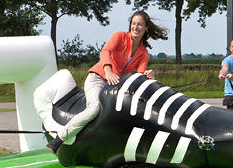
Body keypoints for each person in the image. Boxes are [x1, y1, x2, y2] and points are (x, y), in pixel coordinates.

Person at [45, 11, 168, 152]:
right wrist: (108, 71)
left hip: (114, 87)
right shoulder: (119, 36)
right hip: (97, 78)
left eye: (139, 24)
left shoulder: (143, 54)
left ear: (146, 28)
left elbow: (137, 76)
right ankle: (59, 139)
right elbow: (105, 52)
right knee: (95, 108)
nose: (135, 27)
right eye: (133, 24)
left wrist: (146, 75)